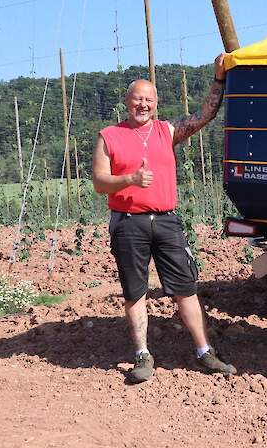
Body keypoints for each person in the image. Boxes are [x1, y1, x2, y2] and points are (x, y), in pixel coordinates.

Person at [92, 54, 236, 383]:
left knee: (186, 289)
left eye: (148, 100)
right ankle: (142, 355)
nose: (142, 104)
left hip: (167, 222)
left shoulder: (166, 131)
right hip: (129, 223)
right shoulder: (109, 136)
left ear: (155, 104)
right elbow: (100, 183)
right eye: (137, 98)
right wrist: (128, 179)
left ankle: (204, 353)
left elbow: (204, 115)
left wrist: (218, 79)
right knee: (135, 293)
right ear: (127, 101)